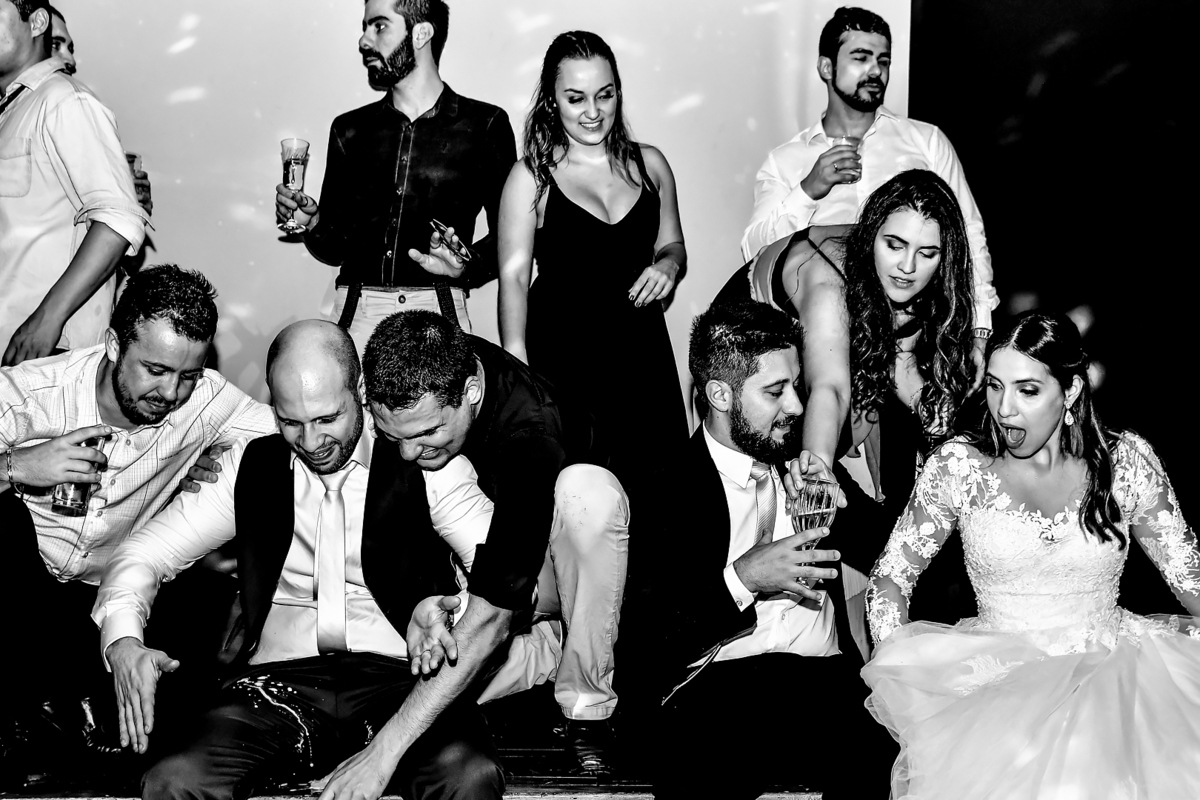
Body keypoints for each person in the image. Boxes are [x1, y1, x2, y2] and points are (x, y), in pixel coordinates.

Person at [96, 320, 504, 800]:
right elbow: (143, 553)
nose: (311, 442)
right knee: (174, 780)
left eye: (327, 419)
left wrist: (451, 612)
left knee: (468, 776)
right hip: (273, 688)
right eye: (291, 422)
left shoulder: (422, 458)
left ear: (361, 391)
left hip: (403, 680)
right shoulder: (248, 467)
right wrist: (123, 641)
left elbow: (509, 583)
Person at [863, 311, 1200, 799]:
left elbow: (1191, 577)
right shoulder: (959, 467)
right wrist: (907, 689)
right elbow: (889, 580)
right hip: (996, 694)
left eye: (1027, 390)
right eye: (995, 386)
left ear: (1071, 391)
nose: (1005, 409)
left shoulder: (1125, 463)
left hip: (1115, 688)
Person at [0, 265, 276, 782]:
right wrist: (16, 467)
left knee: (206, 588)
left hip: (100, 605)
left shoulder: (208, 400)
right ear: (112, 345)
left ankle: (100, 729)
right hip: (18, 596)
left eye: (187, 374)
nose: (170, 393)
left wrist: (227, 461)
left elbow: (296, 435)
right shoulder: (32, 392)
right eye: (155, 369)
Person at [364, 309, 629, 776]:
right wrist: (418, 604)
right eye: (391, 435)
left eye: (426, 432)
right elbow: (385, 537)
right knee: (403, 704)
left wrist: (387, 750)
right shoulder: (426, 373)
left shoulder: (531, 430)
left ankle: (587, 703)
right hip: (499, 570)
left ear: (471, 392)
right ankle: (546, 649)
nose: (406, 451)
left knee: (588, 493)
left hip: (567, 566)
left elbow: (497, 605)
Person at [652, 300, 895, 800]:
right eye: (775, 391)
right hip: (718, 687)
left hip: (826, 683)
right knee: (700, 771)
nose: (797, 407)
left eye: (796, 386)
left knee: (885, 759)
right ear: (720, 395)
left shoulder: (804, 467)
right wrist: (742, 579)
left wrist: (842, 504)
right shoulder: (666, 483)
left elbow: (895, 553)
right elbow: (651, 638)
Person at [741, 6, 996, 363]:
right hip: (819, 344)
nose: (875, 70)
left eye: (883, 60)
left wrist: (979, 329)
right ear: (826, 67)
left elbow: (968, 235)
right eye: (861, 57)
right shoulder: (786, 160)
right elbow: (754, 253)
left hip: (915, 346)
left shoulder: (926, 141)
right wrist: (809, 190)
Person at [498, 30, 688, 502]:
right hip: (566, 361)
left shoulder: (651, 165)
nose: (593, 111)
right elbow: (514, 278)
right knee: (582, 503)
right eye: (576, 98)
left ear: (618, 92)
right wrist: (519, 371)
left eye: (604, 95)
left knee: (660, 498)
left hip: (644, 356)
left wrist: (668, 265)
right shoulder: (531, 177)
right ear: (552, 100)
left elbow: (673, 245)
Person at [275, 0, 515, 347]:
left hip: (438, 313)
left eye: (379, 26)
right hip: (356, 312)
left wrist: (466, 266)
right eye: (365, 27)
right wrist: (311, 223)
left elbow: (510, 240)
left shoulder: (485, 126)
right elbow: (336, 249)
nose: (364, 40)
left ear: (421, 33)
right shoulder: (349, 129)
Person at [0, 0, 148, 366]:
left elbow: (119, 221)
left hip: (45, 356)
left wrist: (46, 319)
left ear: (37, 22)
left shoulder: (65, 100)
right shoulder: (13, 110)